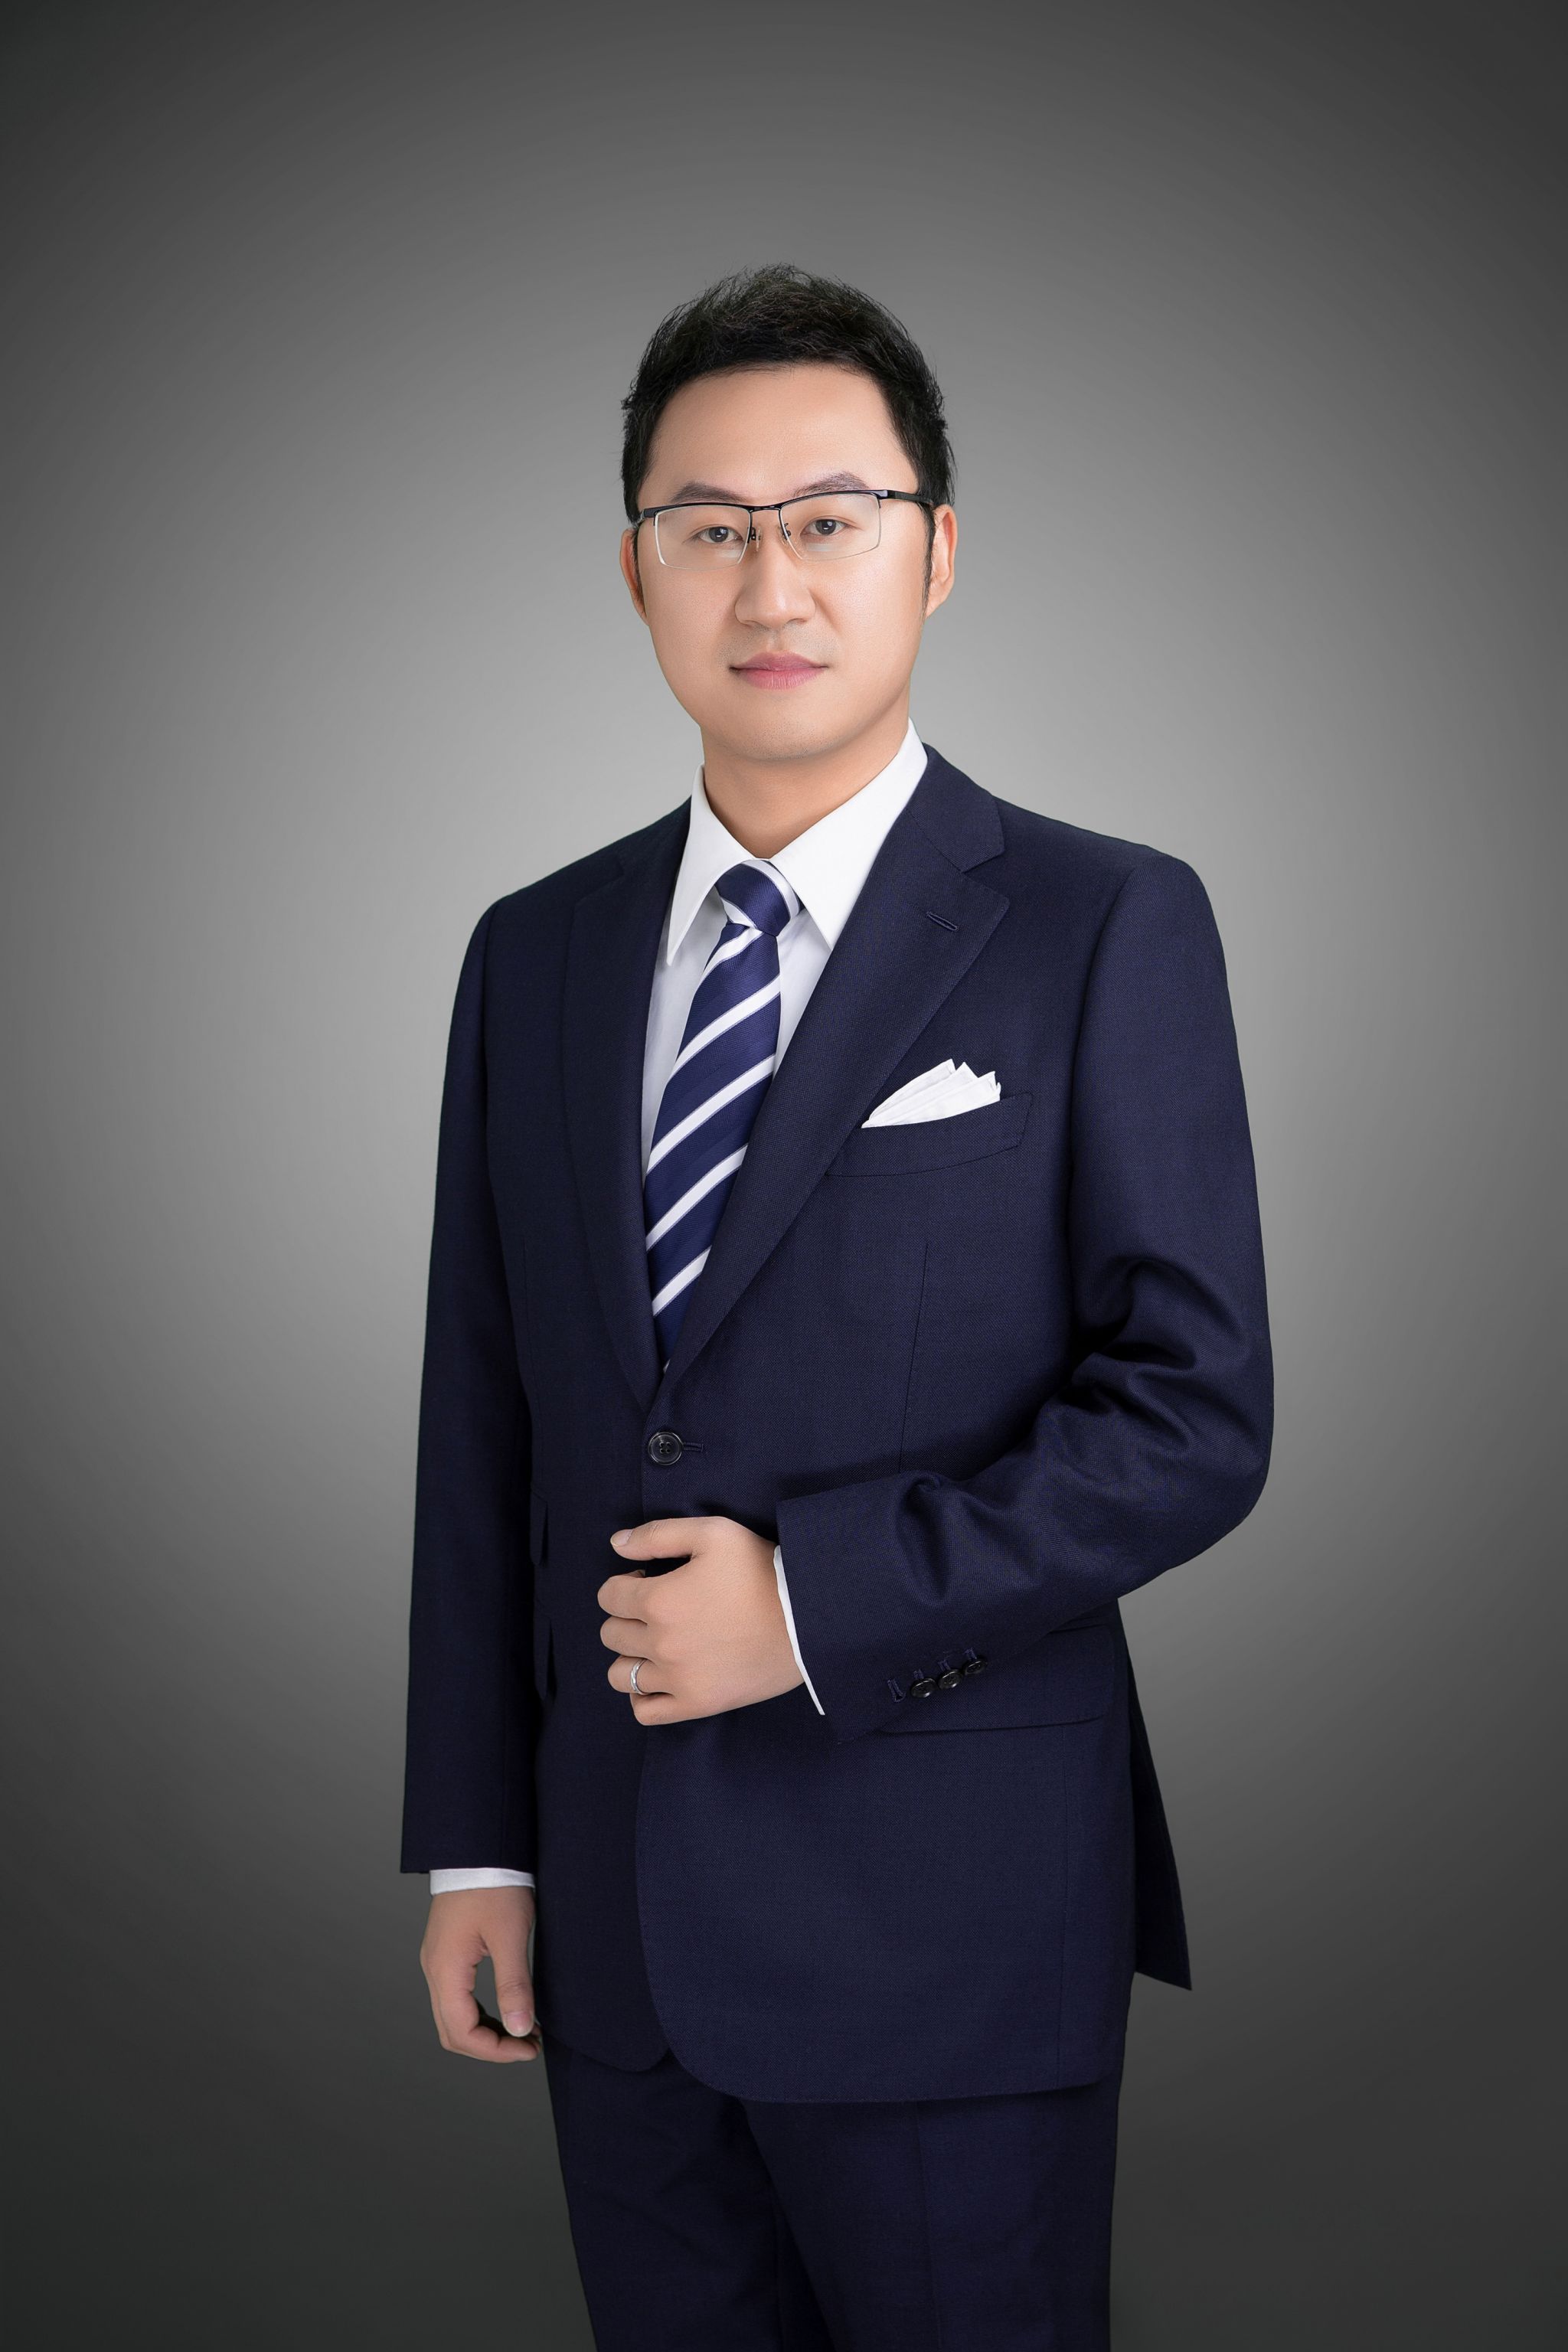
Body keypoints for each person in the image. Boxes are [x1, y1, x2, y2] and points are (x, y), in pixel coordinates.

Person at [400, 263, 1272, 2350]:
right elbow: (483, 1422)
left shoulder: (1102, 922)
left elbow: (1193, 1412)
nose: (769, 580)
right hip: (614, 1930)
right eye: (708, 525)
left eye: (829, 518)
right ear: (636, 570)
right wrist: (475, 1851)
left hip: (950, 1922)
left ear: (935, 552)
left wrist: (808, 1604)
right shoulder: (535, 954)